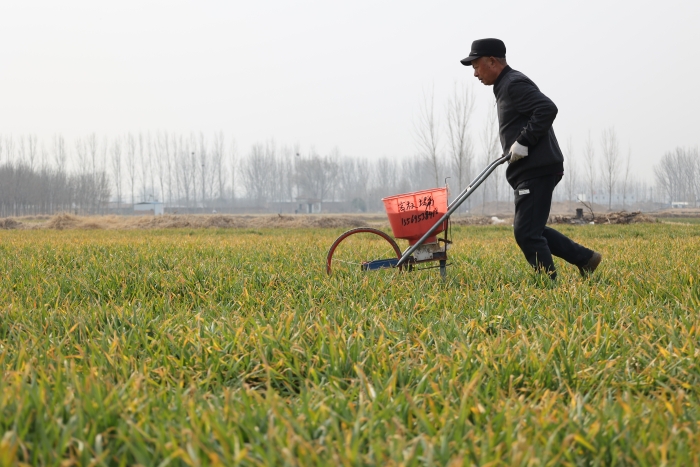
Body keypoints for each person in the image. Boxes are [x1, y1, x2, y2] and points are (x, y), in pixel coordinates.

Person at [461, 38, 602, 280]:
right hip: (532, 169)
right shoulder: (505, 86)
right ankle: (585, 259)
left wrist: (523, 141)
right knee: (531, 230)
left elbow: (547, 108)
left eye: (476, 65)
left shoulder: (514, 84)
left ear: (492, 61)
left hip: (537, 168)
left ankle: (549, 285)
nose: (475, 73)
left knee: (526, 233)